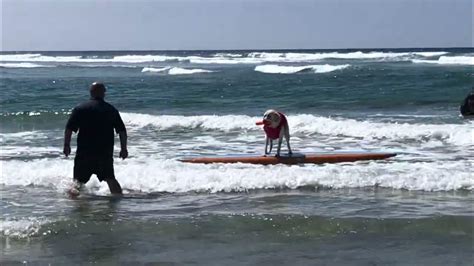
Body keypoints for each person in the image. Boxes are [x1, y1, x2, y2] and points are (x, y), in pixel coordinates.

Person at [63, 82, 128, 195]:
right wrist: (124, 149)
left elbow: (69, 129)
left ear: (91, 92)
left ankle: (74, 207)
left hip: (85, 152)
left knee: (77, 182)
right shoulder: (110, 109)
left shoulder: (80, 108)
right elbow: (122, 131)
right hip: (104, 152)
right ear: (104, 93)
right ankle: (118, 203)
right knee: (110, 179)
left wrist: (66, 145)